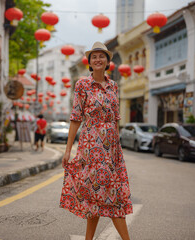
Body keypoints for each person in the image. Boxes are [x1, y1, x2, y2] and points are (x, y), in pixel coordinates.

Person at [60, 42, 133, 240]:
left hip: (112, 149)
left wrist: (117, 150)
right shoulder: (82, 84)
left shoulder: (113, 86)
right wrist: (69, 151)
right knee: (106, 196)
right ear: (90, 62)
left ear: (108, 61)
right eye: (94, 57)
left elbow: (116, 119)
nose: (98, 59)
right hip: (91, 146)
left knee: (101, 197)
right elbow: (76, 118)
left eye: (102, 56)